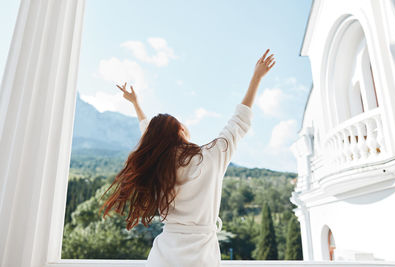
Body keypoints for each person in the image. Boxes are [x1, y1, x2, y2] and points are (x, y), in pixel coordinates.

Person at [99, 49, 275, 266]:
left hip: (164, 255)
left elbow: (149, 135)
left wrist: (136, 104)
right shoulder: (211, 157)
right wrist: (256, 77)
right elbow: (239, 121)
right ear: (180, 131)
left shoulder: (160, 164)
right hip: (201, 257)